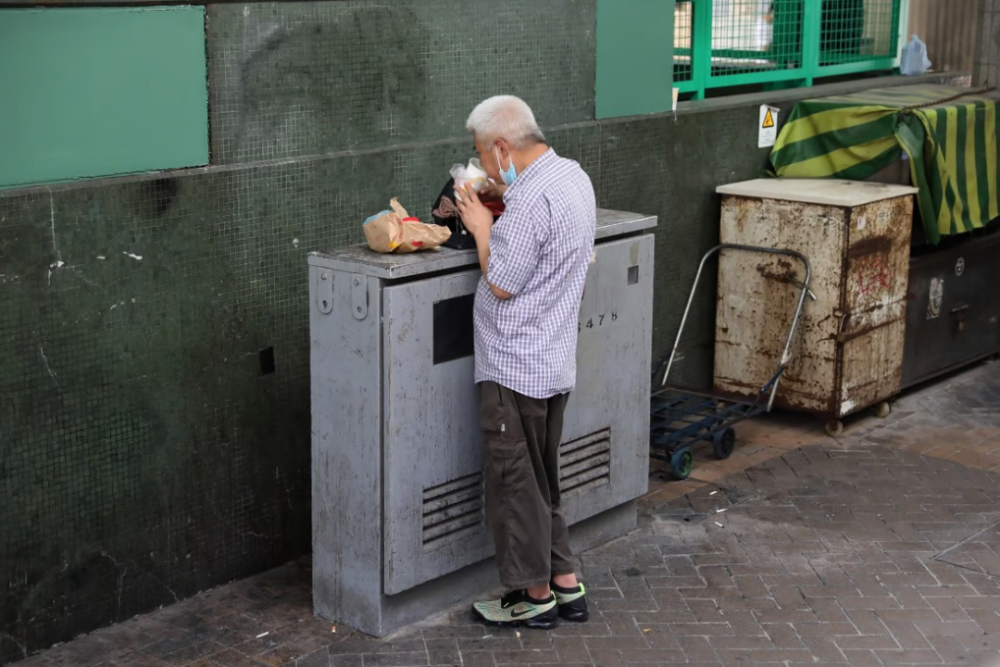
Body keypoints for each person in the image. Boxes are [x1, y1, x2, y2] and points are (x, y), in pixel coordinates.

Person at [454, 95, 596, 629]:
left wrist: (479, 225)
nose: (485, 165)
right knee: (542, 480)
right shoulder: (571, 177)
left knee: (516, 484)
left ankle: (532, 596)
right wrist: (502, 194)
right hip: (554, 361)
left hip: (514, 365)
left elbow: (503, 281)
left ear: (501, 147)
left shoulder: (527, 201)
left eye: (482, 155)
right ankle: (566, 583)